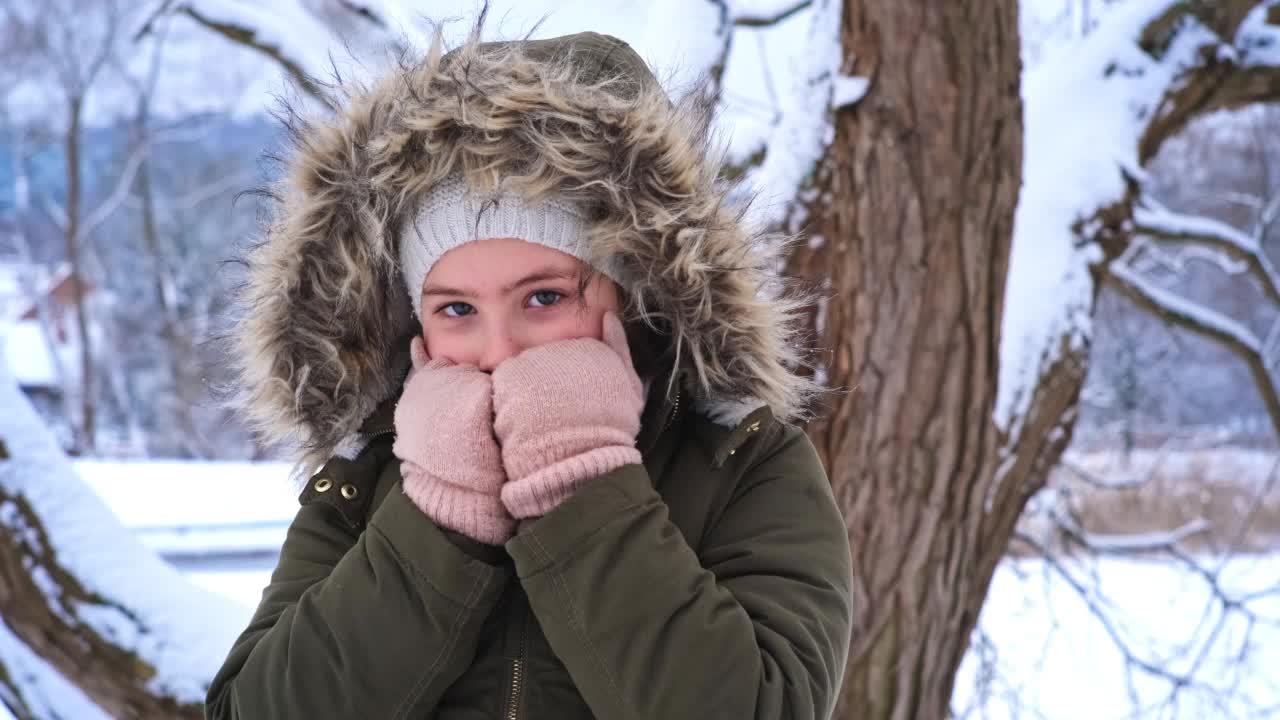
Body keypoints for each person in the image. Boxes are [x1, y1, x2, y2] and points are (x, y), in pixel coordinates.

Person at [206, 24, 853, 720]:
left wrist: (583, 485)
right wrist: (435, 521)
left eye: (545, 298)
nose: (500, 350)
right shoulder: (369, 473)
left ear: (634, 296)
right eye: (456, 308)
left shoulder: (741, 463)